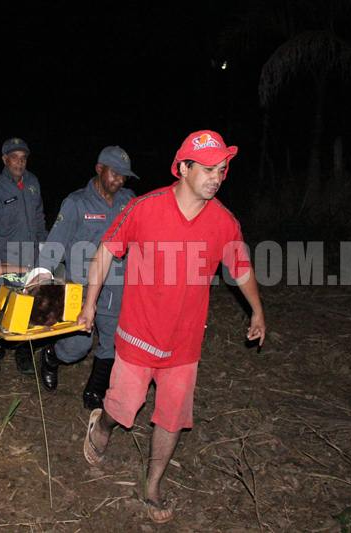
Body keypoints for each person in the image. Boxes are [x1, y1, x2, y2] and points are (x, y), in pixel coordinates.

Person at [78, 130, 266, 524]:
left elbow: (241, 268)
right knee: (123, 408)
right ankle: (102, 425)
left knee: (172, 417)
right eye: (208, 169)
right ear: (183, 168)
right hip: (137, 334)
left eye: (222, 169)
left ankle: (152, 486)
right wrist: (89, 304)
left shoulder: (223, 222)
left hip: (184, 343)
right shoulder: (145, 208)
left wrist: (257, 312)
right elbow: (105, 252)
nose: (217, 177)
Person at [34, 146, 138, 409]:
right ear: (99, 169)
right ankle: (51, 356)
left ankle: (95, 390)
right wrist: (39, 279)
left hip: (115, 286)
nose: (119, 180)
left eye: (124, 176)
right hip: (80, 288)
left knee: (112, 341)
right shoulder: (76, 203)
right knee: (76, 348)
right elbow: (55, 245)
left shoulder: (129, 201)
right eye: (114, 173)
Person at [0, 138, 47, 373]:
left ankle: (24, 353)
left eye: (23, 158)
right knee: (3, 307)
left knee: (30, 304)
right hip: (6, 260)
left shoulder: (33, 183)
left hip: (31, 256)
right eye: (14, 158)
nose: (19, 162)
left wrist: (43, 246)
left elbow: (39, 217)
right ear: (4, 159)